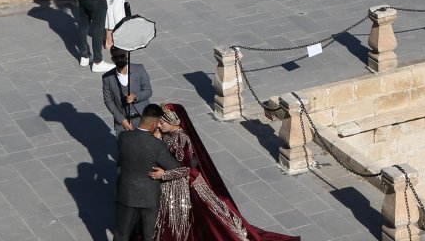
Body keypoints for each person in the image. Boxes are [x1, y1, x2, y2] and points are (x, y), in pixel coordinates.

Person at [151, 103, 301, 241]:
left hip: (190, 184)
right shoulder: (168, 135)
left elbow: (187, 167)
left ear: (174, 121)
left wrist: (164, 175)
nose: (159, 125)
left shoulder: (183, 139)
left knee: (209, 217)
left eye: (162, 122)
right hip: (174, 186)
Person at [116, 104, 182, 241]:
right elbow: (174, 166)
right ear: (153, 124)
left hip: (126, 193)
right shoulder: (157, 145)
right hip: (149, 197)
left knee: (121, 233)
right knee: (149, 235)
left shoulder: (123, 137)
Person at [103, 48, 152, 132]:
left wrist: (135, 96)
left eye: (122, 56)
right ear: (112, 59)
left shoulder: (139, 69)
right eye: (116, 57)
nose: (119, 59)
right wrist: (122, 120)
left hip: (143, 118)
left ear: (126, 56)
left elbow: (148, 91)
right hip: (123, 122)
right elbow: (108, 101)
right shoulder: (107, 77)